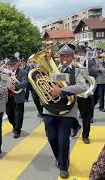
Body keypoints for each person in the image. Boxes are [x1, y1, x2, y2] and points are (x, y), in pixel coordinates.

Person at [41, 44, 88, 178]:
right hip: (50, 109)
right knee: (51, 138)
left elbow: (82, 86)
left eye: (67, 56)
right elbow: (44, 84)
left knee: (63, 140)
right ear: (59, 57)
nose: (65, 58)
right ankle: (59, 158)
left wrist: (61, 90)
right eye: (62, 56)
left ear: (72, 57)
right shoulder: (53, 70)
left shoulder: (78, 71)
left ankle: (63, 166)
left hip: (68, 111)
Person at [5, 56, 28, 138]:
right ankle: (15, 126)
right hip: (9, 97)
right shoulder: (7, 73)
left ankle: (17, 130)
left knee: (18, 115)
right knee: (9, 114)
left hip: (18, 96)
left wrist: (14, 86)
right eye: (10, 65)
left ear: (17, 64)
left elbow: (25, 83)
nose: (11, 66)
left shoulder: (23, 72)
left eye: (13, 64)